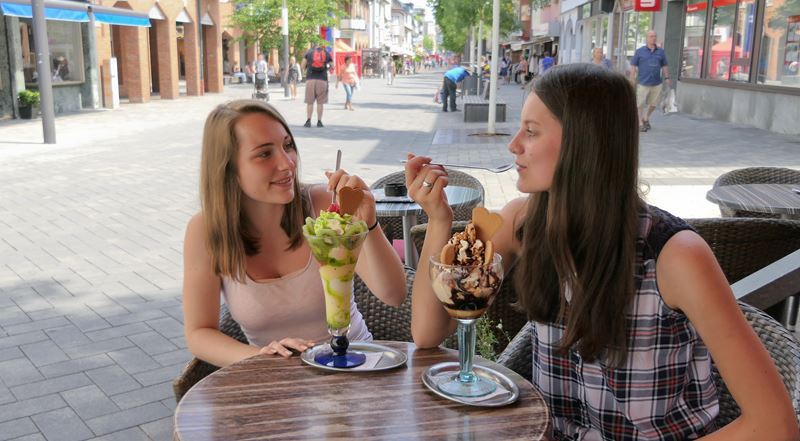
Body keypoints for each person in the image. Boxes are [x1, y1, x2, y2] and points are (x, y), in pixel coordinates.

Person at [405, 63, 798, 441]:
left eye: (531, 132)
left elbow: (775, 426)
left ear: (584, 144)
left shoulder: (675, 256)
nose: (514, 145)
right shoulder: (522, 223)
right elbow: (427, 332)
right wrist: (439, 220)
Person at [183, 99, 407, 368]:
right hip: (278, 379)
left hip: (355, 366)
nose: (287, 163)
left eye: (287, 145)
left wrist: (369, 225)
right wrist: (259, 357)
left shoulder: (324, 205)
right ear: (227, 168)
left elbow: (393, 294)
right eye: (264, 154)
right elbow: (199, 333)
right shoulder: (206, 232)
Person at [630, 30, 671, 132]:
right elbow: (633, 65)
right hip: (643, 82)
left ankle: (646, 117)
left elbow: (664, 65)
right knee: (640, 103)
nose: (653, 38)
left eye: (655, 36)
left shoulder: (661, 52)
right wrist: (632, 78)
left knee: (653, 104)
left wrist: (667, 77)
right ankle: (640, 123)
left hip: (656, 82)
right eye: (651, 36)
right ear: (647, 38)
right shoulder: (639, 51)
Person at [300, 44, 332, 128]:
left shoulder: (308, 52)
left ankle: (308, 121)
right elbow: (332, 66)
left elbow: (302, 66)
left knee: (310, 102)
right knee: (320, 103)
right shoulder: (326, 52)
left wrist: (308, 68)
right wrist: (325, 68)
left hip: (310, 79)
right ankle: (319, 121)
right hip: (322, 80)